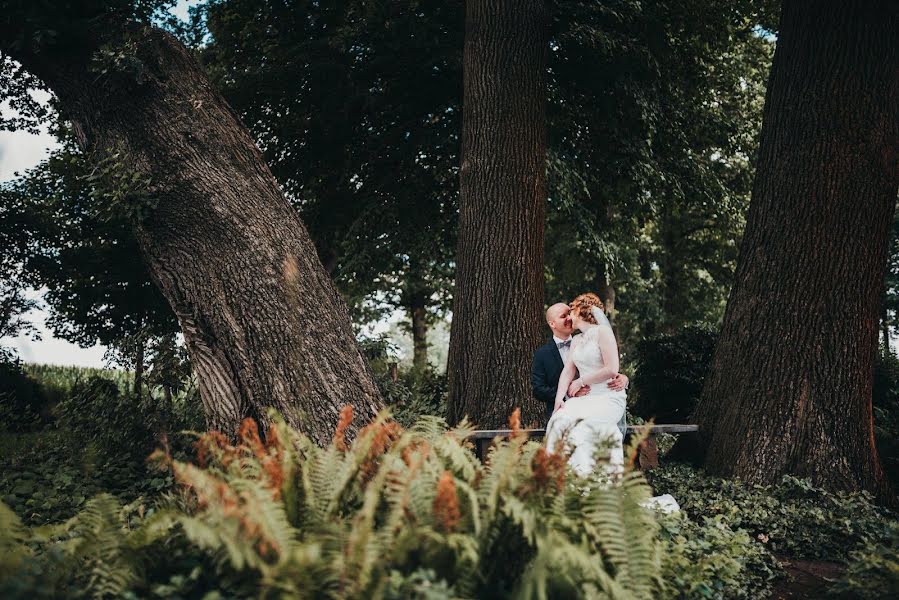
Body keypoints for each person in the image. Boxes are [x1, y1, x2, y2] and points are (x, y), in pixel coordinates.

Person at [545, 293, 627, 477]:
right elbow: (567, 371)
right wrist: (559, 398)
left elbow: (612, 369)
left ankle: (587, 481)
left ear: (580, 311)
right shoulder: (576, 340)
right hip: (588, 398)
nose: (568, 318)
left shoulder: (603, 333)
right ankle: (559, 481)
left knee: (580, 427)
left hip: (608, 397)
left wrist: (581, 381)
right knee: (558, 421)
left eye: (570, 312)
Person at [531, 302, 627, 424]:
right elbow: (538, 389)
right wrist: (568, 393)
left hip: (600, 400)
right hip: (565, 408)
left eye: (569, 314)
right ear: (552, 324)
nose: (569, 318)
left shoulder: (588, 340)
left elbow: (609, 367)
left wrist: (623, 378)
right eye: (563, 316)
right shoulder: (542, 354)